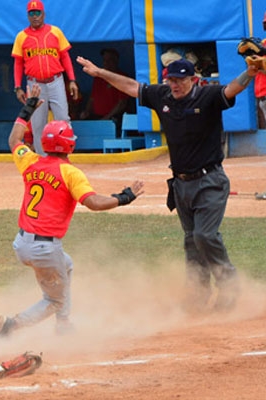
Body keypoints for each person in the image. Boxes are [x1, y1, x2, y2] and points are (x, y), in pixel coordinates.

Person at [77, 56, 256, 313]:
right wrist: (99, 72)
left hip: (210, 181)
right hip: (181, 184)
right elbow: (131, 86)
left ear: (193, 79)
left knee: (204, 235)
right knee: (191, 242)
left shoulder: (207, 97)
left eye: (180, 80)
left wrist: (249, 73)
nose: (174, 85)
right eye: (170, 80)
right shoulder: (162, 97)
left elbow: (232, 88)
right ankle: (197, 295)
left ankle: (229, 284)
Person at [0, 84, 144, 337]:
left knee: (68, 264)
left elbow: (14, 140)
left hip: (22, 243)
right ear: (70, 146)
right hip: (44, 248)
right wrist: (125, 197)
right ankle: (13, 325)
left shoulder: (31, 162)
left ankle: (63, 325)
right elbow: (93, 203)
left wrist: (28, 107)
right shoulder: (70, 173)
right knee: (54, 300)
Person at [12, 0, 79, 156]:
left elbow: (65, 57)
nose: (35, 16)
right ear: (28, 16)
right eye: (31, 13)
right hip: (35, 84)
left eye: (38, 13)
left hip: (55, 81)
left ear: (43, 14)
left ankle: (66, 156)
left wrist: (73, 80)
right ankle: (43, 160)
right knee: (37, 124)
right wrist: (17, 87)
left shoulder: (55, 32)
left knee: (63, 119)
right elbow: (18, 63)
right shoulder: (21, 36)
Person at [79, 48, 130, 129]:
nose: (107, 63)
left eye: (110, 60)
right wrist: (87, 111)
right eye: (105, 60)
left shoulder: (122, 77)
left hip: (114, 118)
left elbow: (122, 103)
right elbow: (92, 99)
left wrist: (107, 117)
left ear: (116, 61)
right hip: (97, 117)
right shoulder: (98, 78)